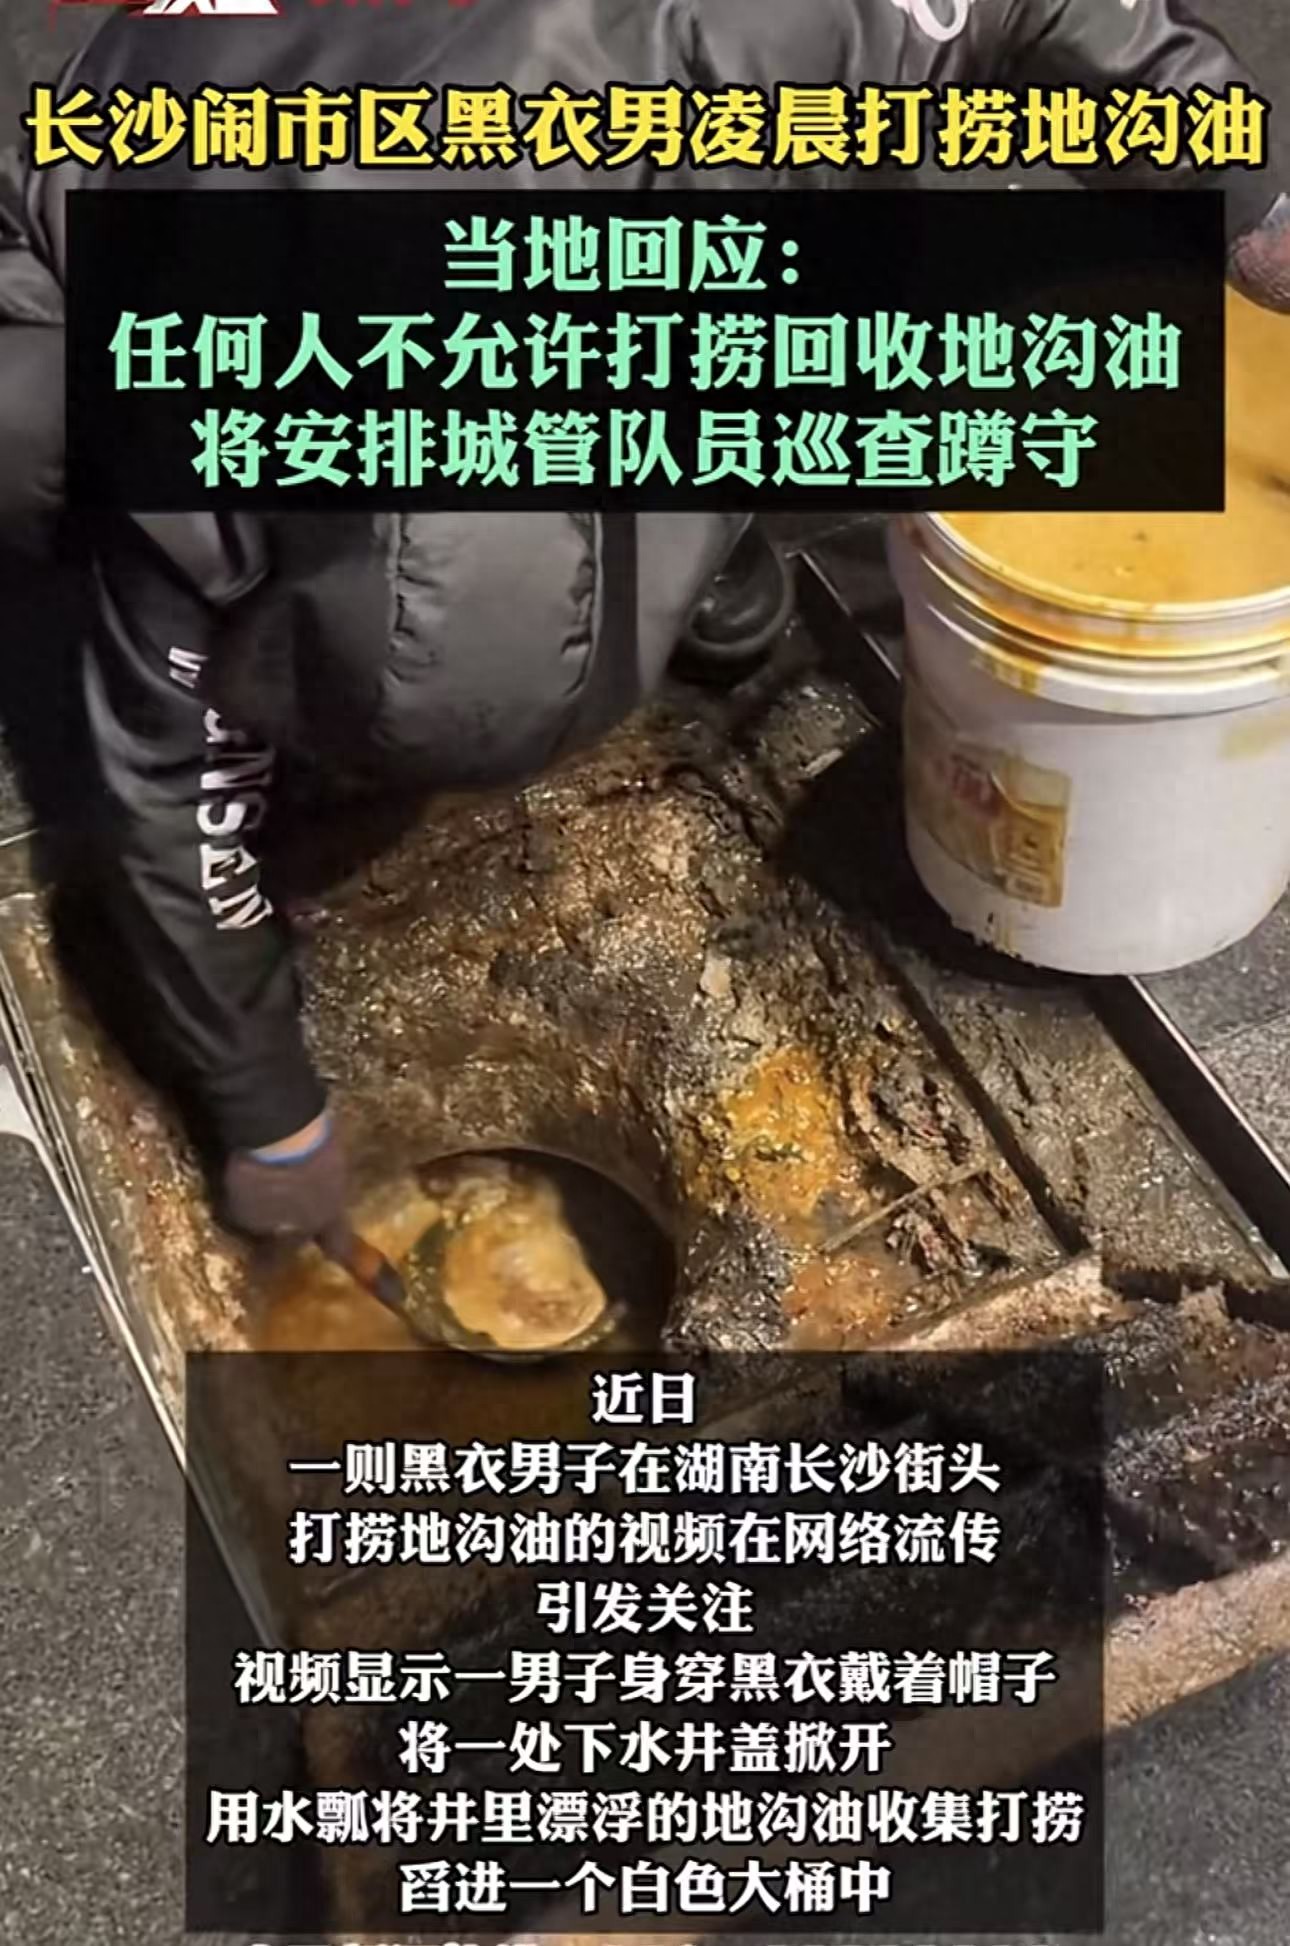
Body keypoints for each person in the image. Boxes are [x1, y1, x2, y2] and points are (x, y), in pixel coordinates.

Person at [0, 0, 1288, 1255]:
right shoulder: (188, 481)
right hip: (129, 169)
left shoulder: (721, 57)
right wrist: (269, 1114)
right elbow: (168, 811)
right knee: (24, 446)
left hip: (482, 102)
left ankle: (706, 562)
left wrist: (1253, 208)